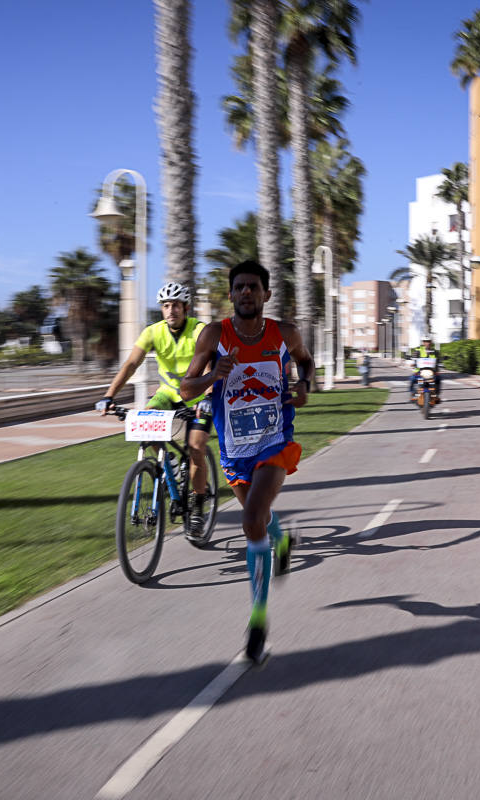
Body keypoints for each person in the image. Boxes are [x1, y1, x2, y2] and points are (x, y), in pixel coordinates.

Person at [180, 260, 314, 662]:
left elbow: (305, 361)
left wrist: (304, 385)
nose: (246, 293)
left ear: (266, 294)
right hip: (234, 448)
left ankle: (257, 620)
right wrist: (212, 376)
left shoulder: (283, 333)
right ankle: (283, 540)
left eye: (253, 287)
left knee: (251, 519)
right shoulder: (213, 335)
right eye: (239, 287)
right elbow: (187, 389)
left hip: (273, 441)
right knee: (258, 518)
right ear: (231, 293)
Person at [96, 281, 213, 539]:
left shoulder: (199, 330)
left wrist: (208, 397)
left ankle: (196, 509)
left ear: (186, 307)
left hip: (198, 399)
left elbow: (208, 365)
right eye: (166, 306)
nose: (171, 310)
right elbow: (130, 364)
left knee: (196, 447)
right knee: (142, 425)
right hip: (167, 394)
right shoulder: (152, 332)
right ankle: (168, 461)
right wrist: (108, 396)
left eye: (176, 305)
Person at [408, 336, 441, 403]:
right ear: (423, 342)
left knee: (438, 379)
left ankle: (436, 395)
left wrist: (440, 365)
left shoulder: (435, 352)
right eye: (425, 341)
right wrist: (412, 363)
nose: (427, 343)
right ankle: (413, 394)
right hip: (419, 371)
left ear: (431, 342)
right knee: (412, 379)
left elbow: (438, 361)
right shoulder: (418, 350)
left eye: (428, 341)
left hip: (431, 372)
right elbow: (413, 358)